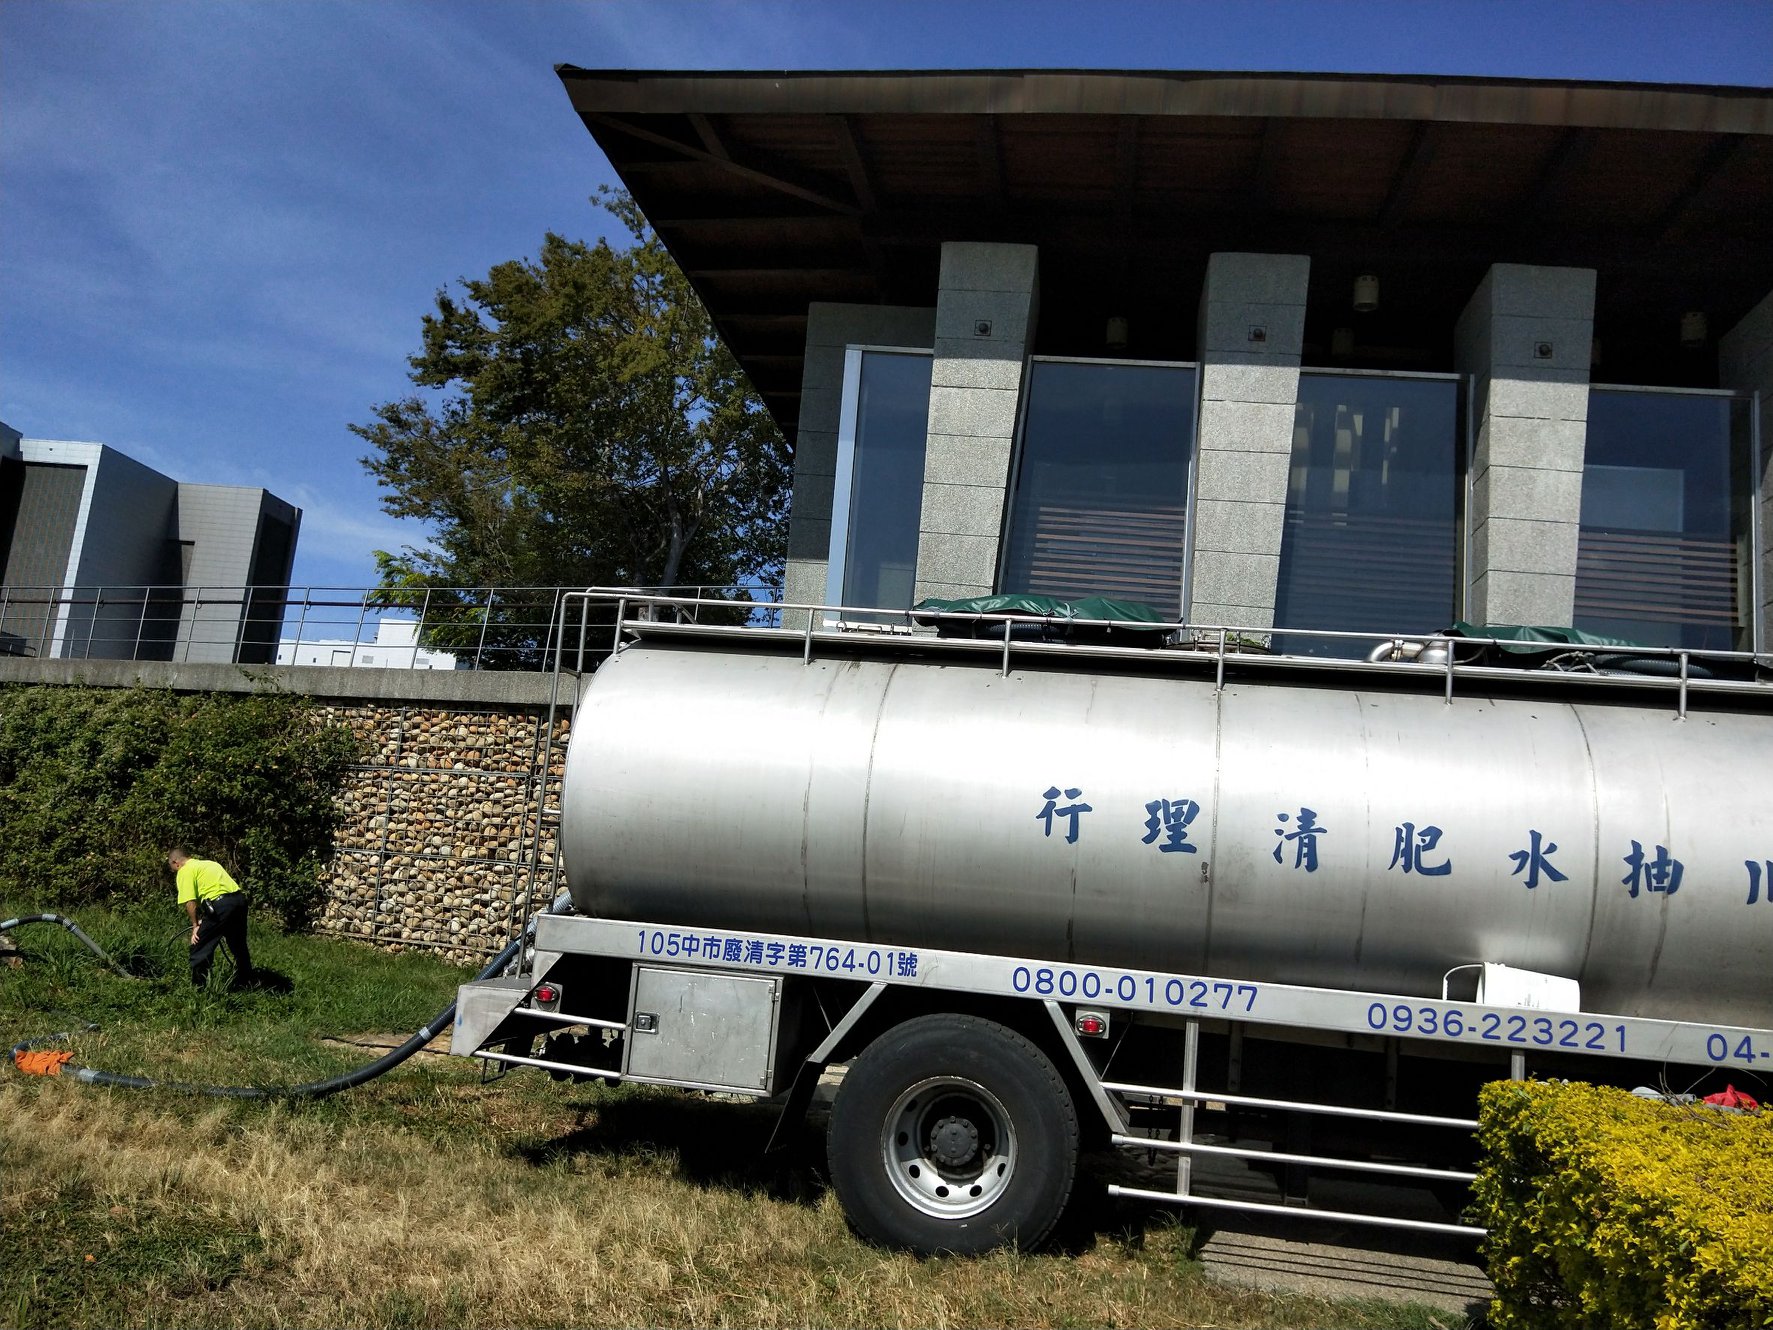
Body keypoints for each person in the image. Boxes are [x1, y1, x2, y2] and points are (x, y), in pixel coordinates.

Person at [167, 848, 252, 987]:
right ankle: (246, 982)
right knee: (238, 945)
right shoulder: (210, 864)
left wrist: (195, 926)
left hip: (220, 905)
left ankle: (198, 988)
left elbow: (190, 902)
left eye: (174, 869)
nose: (176, 872)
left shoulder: (185, 870)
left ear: (176, 863)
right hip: (239, 901)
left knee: (200, 944)